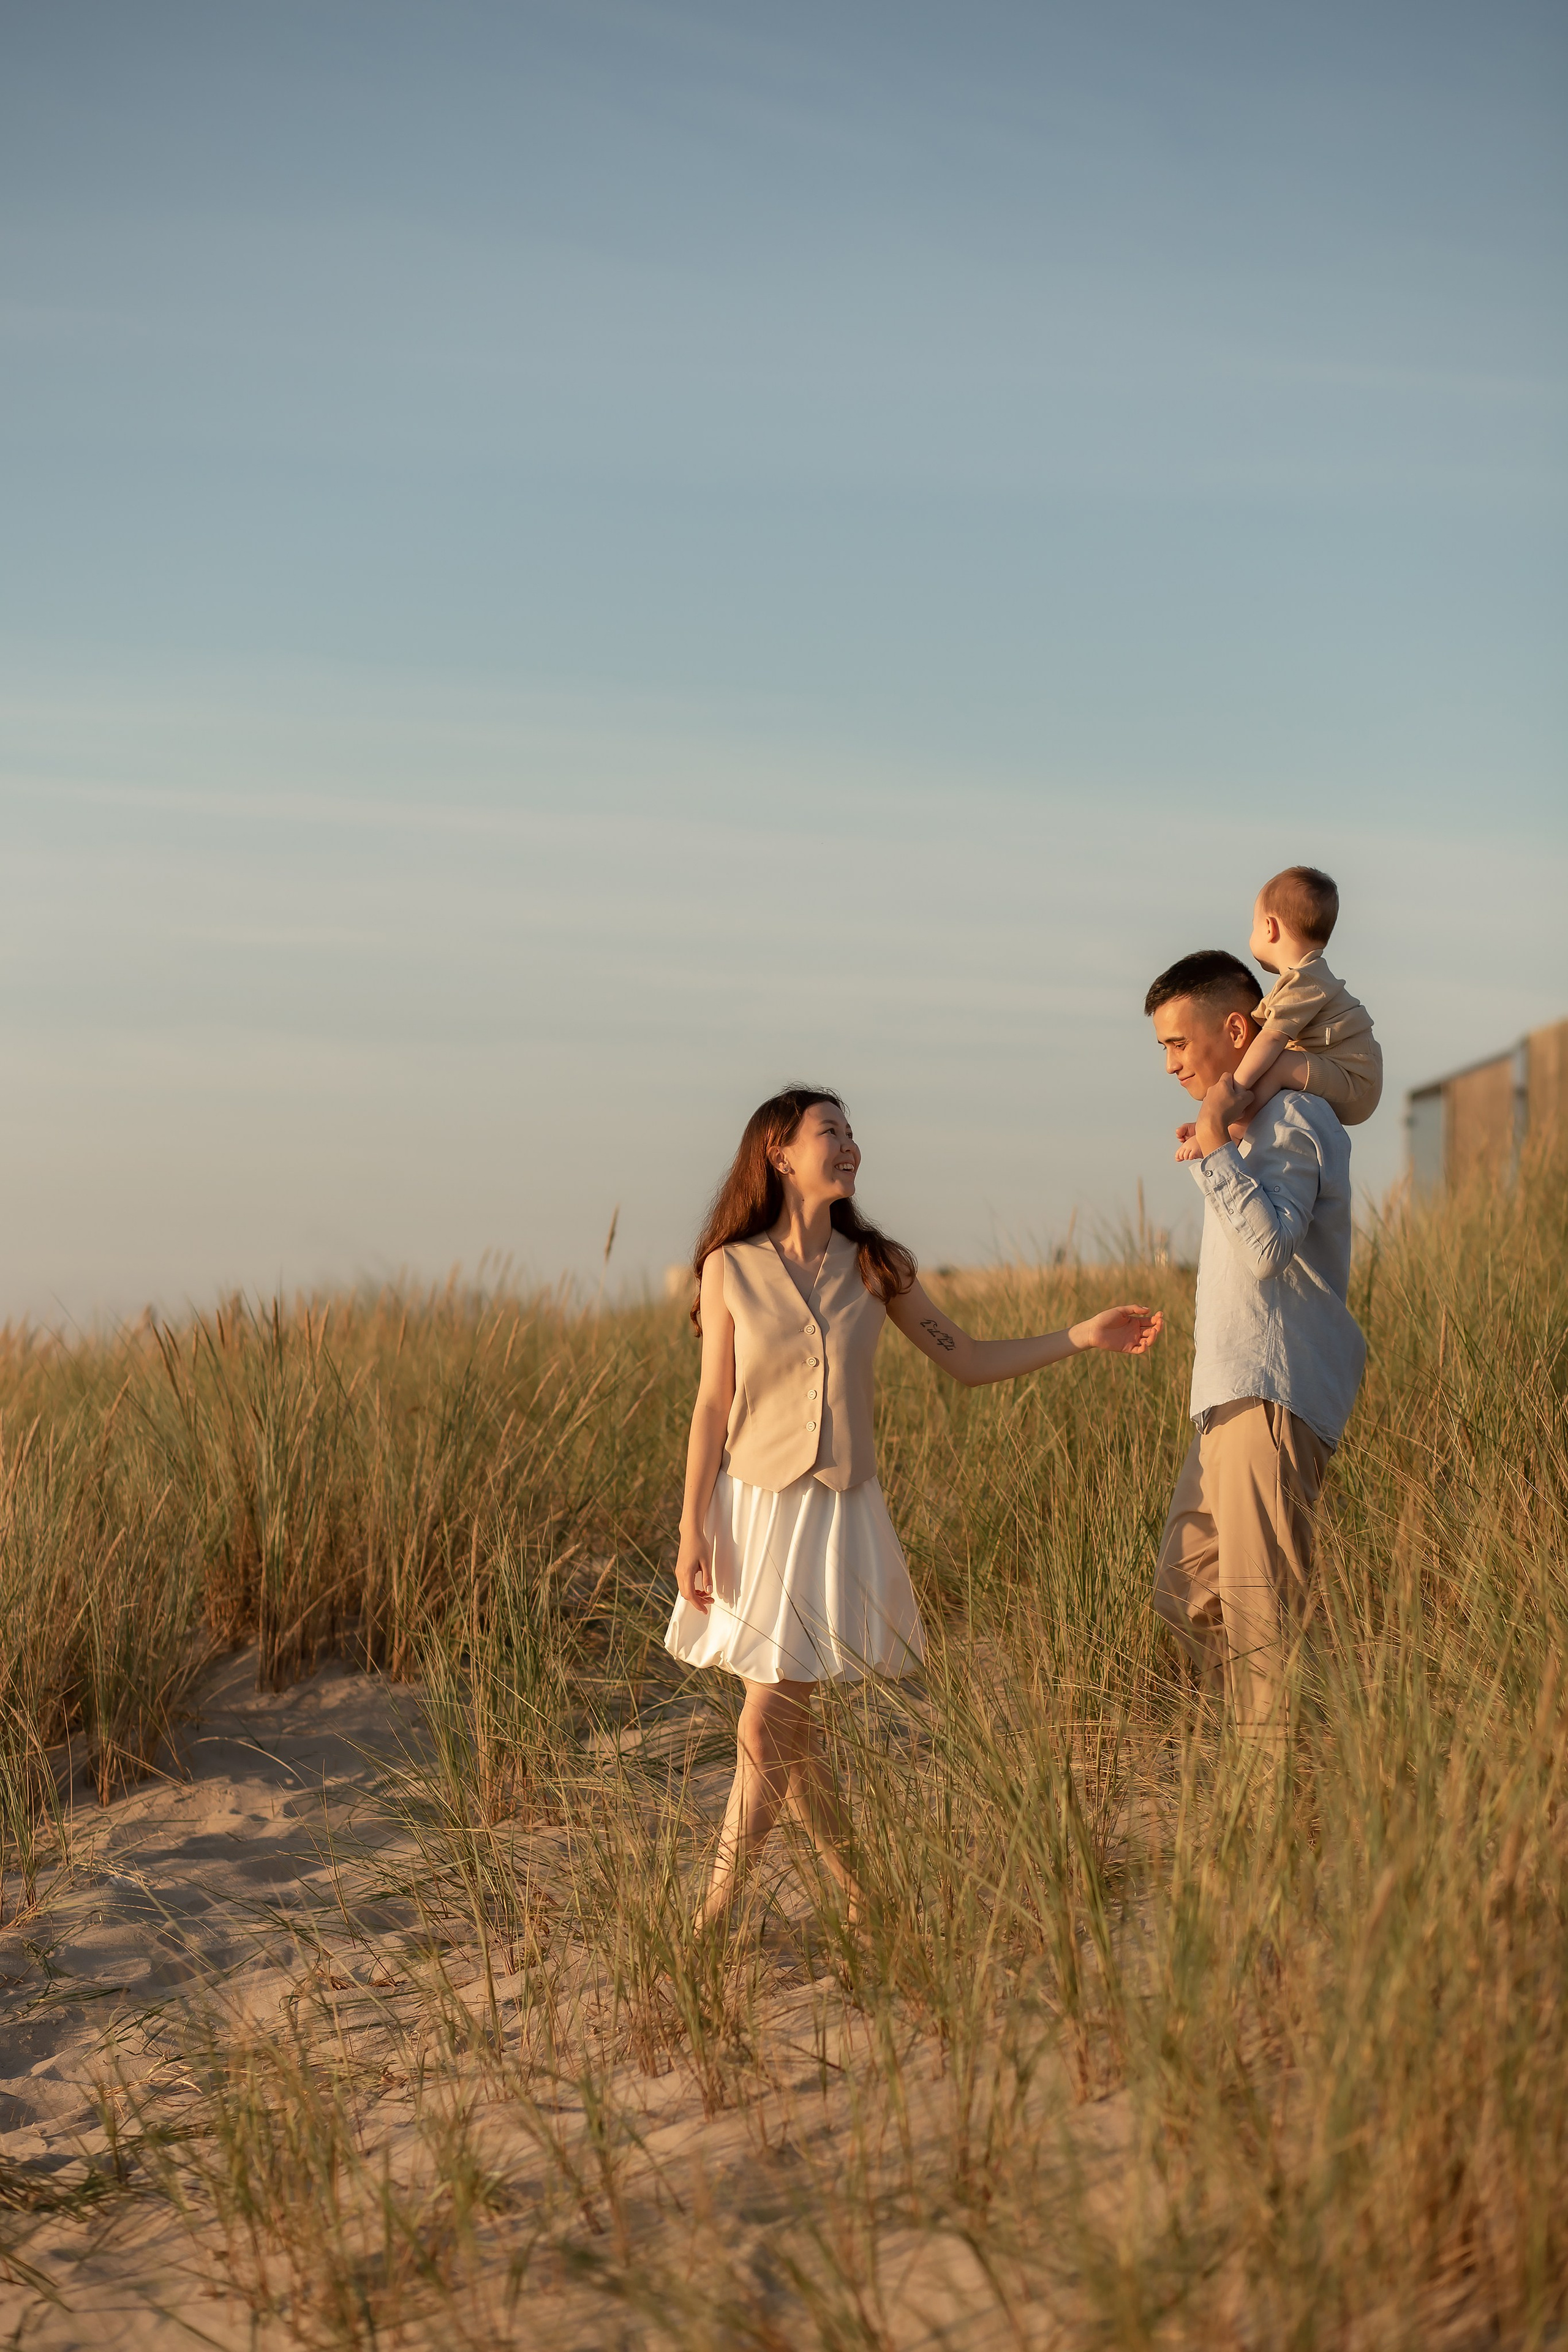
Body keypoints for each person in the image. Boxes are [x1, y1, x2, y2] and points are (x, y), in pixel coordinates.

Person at [667, 1084, 1163, 1929]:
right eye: (831, 1132)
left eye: (854, 1132)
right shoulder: (730, 1268)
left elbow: (965, 1359)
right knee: (778, 1725)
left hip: (837, 1512)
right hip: (752, 1509)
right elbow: (712, 1404)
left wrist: (1079, 1336)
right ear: (780, 1153)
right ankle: (776, 1909)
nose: (850, 1144)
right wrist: (691, 1526)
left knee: (779, 1723)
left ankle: (752, 1912)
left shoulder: (878, 1267)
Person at [1146, 951, 1366, 1735]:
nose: (1170, 1064)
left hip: (1270, 1395)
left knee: (1262, 1630)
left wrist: (1212, 1148)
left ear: (1235, 1028)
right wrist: (1219, 1141)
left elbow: (1270, 1248)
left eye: (1178, 1043)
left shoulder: (1293, 1120)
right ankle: (1296, 1749)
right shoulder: (1247, 1127)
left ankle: (1281, 1803)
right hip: (1226, 1404)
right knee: (1185, 1593)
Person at [1176, 865, 1381, 1160]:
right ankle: (1223, 1124)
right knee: (1271, 1063)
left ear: (1269, 928)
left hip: (1355, 1081)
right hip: (1352, 1077)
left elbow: (1269, 1041)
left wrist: (1226, 1099)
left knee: (1277, 1062)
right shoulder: (1299, 983)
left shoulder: (1305, 979)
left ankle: (1230, 1129)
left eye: (1253, 925)